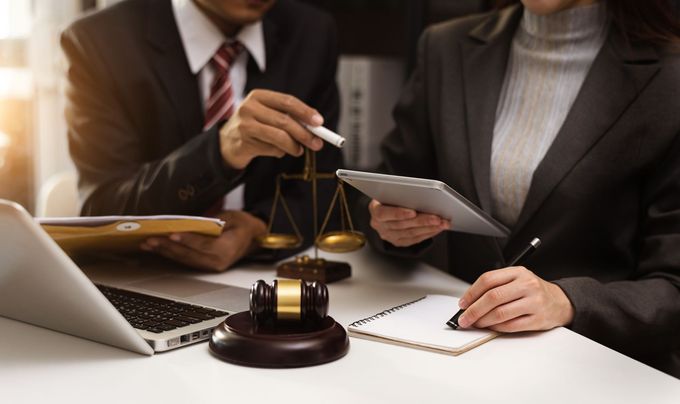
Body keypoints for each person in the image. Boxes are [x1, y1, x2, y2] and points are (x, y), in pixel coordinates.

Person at [360, 0, 680, 377]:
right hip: (450, 359)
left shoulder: (669, 76)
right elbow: (391, 188)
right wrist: (394, 226)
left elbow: (672, 287)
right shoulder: (445, 46)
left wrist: (569, 302)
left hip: (596, 372)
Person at [61, 0, 343, 271]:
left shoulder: (311, 32)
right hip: (142, 275)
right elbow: (102, 209)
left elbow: (325, 187)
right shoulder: (100, 41)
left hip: (260, 276)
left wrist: (259, 230)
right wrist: (219, 153)